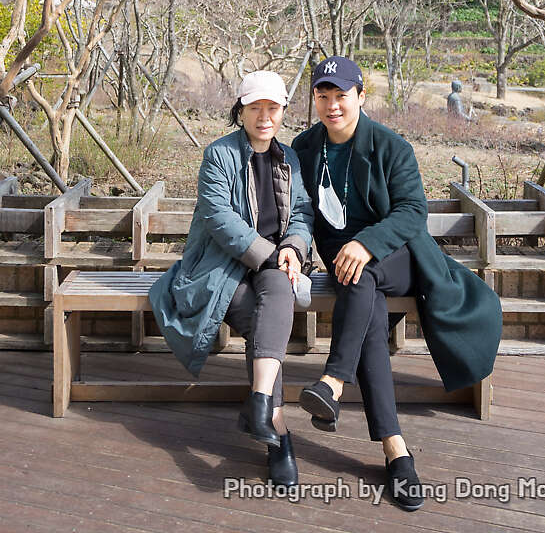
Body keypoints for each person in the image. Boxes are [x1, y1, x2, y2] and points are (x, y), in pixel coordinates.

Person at [291, 56, 502, 512]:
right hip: (345, 262)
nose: (332, 106)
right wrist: (296, 249)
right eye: (323, 97)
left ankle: (333, 380)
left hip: (399, 254)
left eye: (341, 96)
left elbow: (411, 212)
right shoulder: (305, 147)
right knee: (361, 294)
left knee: (359, 273)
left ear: (361, 97)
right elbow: (301, 210)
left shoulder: (391, 146)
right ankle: (395, 450)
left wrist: (366, 244)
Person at [148, 69, 314, 488]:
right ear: (240, 110)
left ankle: (260, 403)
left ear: (282, 113)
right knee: (266, 325)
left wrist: (293, 248)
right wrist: (272, 254)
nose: (264, 117)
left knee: (276, 293)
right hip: (222, 267)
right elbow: (219, 218)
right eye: (255, 107)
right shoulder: (218, 155)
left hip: (273, 264)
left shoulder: (289, 158)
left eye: (272, 108)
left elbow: (304, 212)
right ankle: (278, 434)